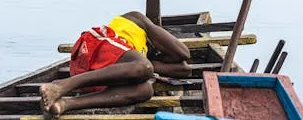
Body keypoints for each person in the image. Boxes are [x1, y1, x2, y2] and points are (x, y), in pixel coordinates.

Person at [39, 11, 192, 117]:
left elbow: (184, 70)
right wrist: (154, 59)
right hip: (95, 47)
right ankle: (60, 86)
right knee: (144, 68)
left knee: (145, 90)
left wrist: (152, 62)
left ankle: (65, 104)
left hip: (100, 75)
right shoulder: (136, 20)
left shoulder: (138, 59)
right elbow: (184, 53)